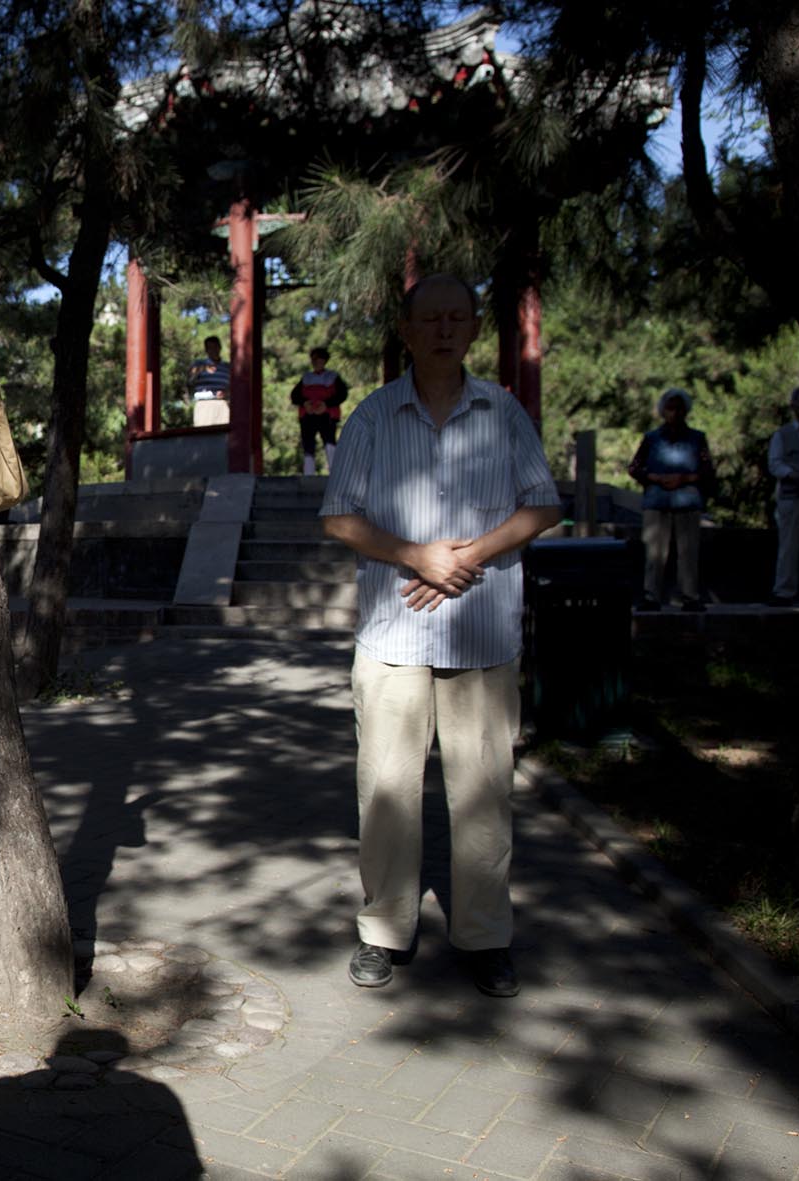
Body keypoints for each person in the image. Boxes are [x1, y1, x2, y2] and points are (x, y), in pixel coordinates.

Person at [320, 273, 561, 999]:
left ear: (474, 327)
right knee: (388, 791)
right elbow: (339, 516)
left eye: (458, 317)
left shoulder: (502, 411)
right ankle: (383, 931)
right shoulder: (371, 416)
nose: (445, 329)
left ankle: (485, 935)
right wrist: (416, 554)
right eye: (432, 318)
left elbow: (542, 504)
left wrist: (467, 555)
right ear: (407, 327)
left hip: (483, 634)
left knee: (484, 792)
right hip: (394, 635)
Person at [628, 387, 714, 612]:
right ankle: (651, 595)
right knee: (654, 553)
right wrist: (653, 477)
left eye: (678, 408)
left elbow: (707, 470)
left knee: (688, 553)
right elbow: (635, 467)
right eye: (670, 408)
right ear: (662, 411)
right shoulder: (651, 439)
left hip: (687, 501)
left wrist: (686, 478)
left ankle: (689, 595)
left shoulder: (697, 438)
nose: (674, 413)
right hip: (657, 500)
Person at [769, 385, 799, 605]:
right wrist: (794, 474)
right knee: (788, 546)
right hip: (791, 495)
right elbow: (775, 464)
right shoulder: (783, 434)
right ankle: (784, 591)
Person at [289, 346, 350, 476]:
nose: (316, 362)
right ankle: (309, 474)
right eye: (314, 359)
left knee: (329, 442)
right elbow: (294, 396)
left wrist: (326, 404)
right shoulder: (306, 378)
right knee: (308, 444)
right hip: (308, 415)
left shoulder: (333, 377)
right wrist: (305, 403)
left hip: (327, 415)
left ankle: (335, 474)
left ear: (325, 361)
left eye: (319, 359)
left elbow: (342, 394)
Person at [188, 335, 231, 401]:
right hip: (204, 403)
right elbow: (190, 378)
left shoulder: (228, 367)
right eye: (210, 348)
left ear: (220, 347)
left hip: (223, 402)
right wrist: (203, 368)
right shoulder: (199, 363)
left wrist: (226, 393)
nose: (213, 350)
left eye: (215, 347)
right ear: (206, 350)